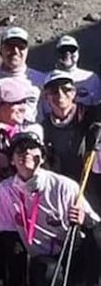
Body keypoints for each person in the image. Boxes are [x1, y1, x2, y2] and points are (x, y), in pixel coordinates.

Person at [0, 130, 101, 286]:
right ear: (12, 161)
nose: (26, 153)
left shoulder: (65, 186)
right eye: (19, 150)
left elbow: (94, 224)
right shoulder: (6, 189)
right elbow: (7, 235)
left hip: (72, 251)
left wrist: (82, 219)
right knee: (44, 270)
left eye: (32, 148)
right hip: (42, 258)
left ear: (41, 157)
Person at [39, 70, 101, 211]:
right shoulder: (44, 128)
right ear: (46, 97)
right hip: (64, 193)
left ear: (74, 93)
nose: (60, 95)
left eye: (66, 89)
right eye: (54, 91)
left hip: (93, 189)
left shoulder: (93, 116)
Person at [0, 27, 46, 118]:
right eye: (10, 46)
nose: (15, 51)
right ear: (0, 51)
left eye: (21, 47)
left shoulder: (41, 80)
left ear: (27, 51)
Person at [53, 35, 101, 106]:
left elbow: (97, 106)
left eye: (72, 49)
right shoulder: (47, 79)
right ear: (56, 53)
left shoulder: (92, 78)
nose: (67, 53)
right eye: (63, 50)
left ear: (78, 53)